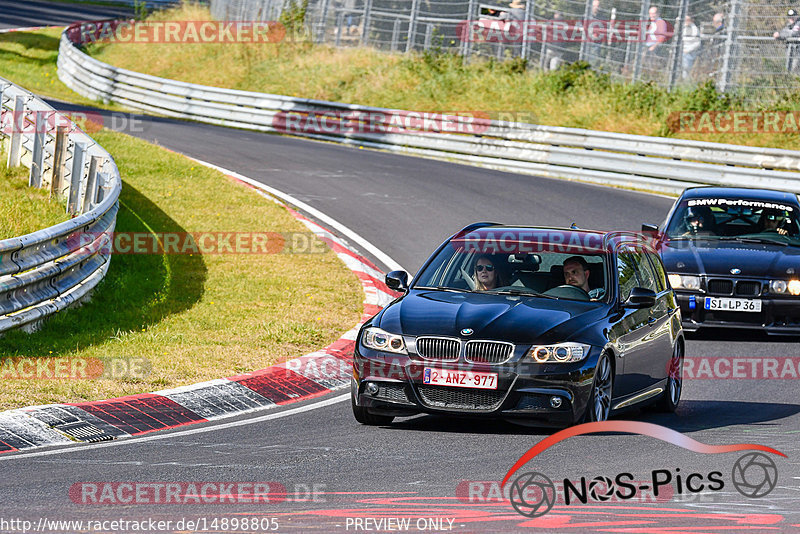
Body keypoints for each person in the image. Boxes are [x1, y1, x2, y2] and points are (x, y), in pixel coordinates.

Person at [642, 6, 671, 80]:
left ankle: (653, 79)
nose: (651, 15)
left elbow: (662, 36)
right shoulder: (652, 23)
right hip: (648, 46)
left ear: (658, 14)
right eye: (650, 13)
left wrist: (654, 46)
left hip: (655, 48)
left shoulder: (660, 22)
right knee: (646, 64)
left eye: (653, 13)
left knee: (653, 65)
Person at [773, 9, 800, 73]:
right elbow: (784, 31)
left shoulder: (798, 23)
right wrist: (779, 34)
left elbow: (794, 34)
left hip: (797, 51)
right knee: (788, 68)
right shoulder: (789, 25)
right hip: (791, 50)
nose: (791, 18)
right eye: (790, 17)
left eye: (793, 16)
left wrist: (780, 35)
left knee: (795, 68)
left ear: (797, 16)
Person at [682, 15, 701, 79]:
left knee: (686, 67)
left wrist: (688, 50)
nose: (686, 22)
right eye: (685, 20)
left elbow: (697, 43)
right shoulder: (683, 28)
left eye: (688, 20)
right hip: (681, 50)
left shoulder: (694, 29)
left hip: (689, 52)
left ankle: (685, 79)